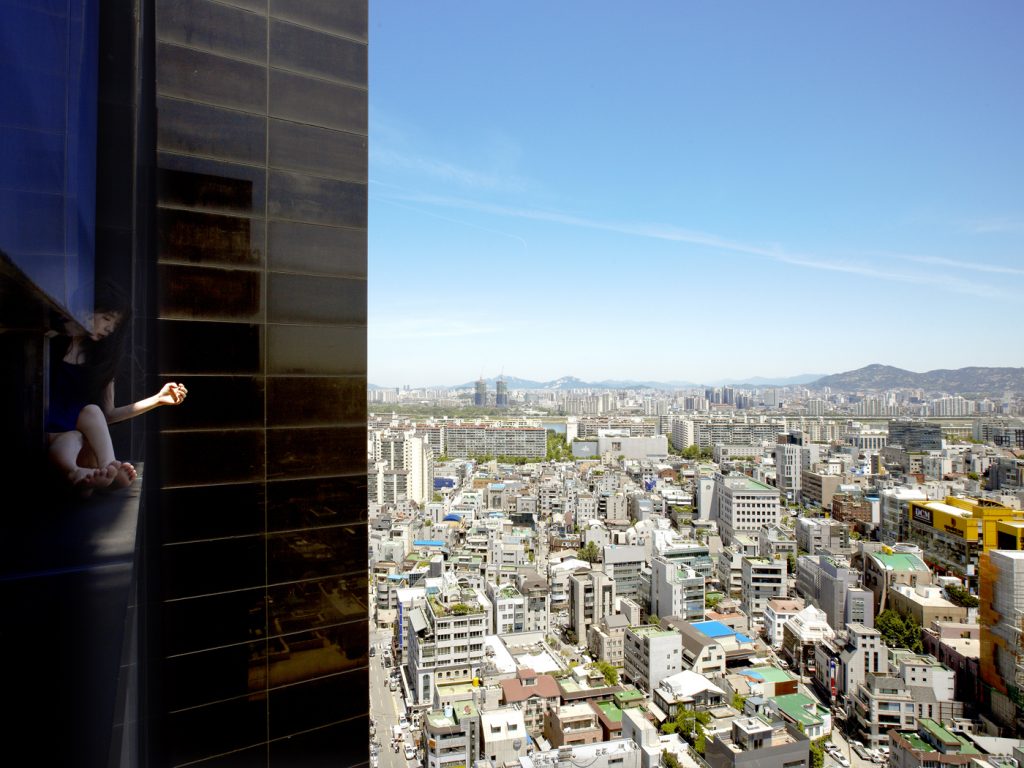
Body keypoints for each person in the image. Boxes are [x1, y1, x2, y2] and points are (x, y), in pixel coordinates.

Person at [47, 282, 187, 493]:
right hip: (42, 433)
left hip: (72, 438)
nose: (110, 329)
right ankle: (83, 474)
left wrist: (158, 399)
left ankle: (103, 469)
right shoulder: (50, 340)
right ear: (85, 308)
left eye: (115, 324)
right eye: (107, 318)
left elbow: (108, 414)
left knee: (89, 416)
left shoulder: (101, 360)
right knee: (72, 437)